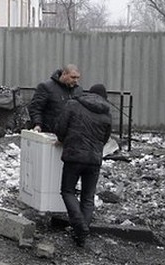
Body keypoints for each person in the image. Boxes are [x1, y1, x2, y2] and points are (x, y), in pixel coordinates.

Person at [54, 83, 112, 247]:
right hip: (94, 160)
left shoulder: (73, 104)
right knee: (88, 197)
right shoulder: (106, 113)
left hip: (74, 156)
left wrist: (64, 139)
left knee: (67, 191)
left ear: (89, 93)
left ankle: (79, 225)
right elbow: (105, 138)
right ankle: (81, 236)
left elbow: (61, 129)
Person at [28, 64, 83, 133]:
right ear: (64, 74)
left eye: (78, 78)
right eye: (73, 77)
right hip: (49, 131)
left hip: (70, 133)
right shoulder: (46, 87)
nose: (76, 80)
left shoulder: (78, 90)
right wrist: (37, 124)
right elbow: (35, 108)